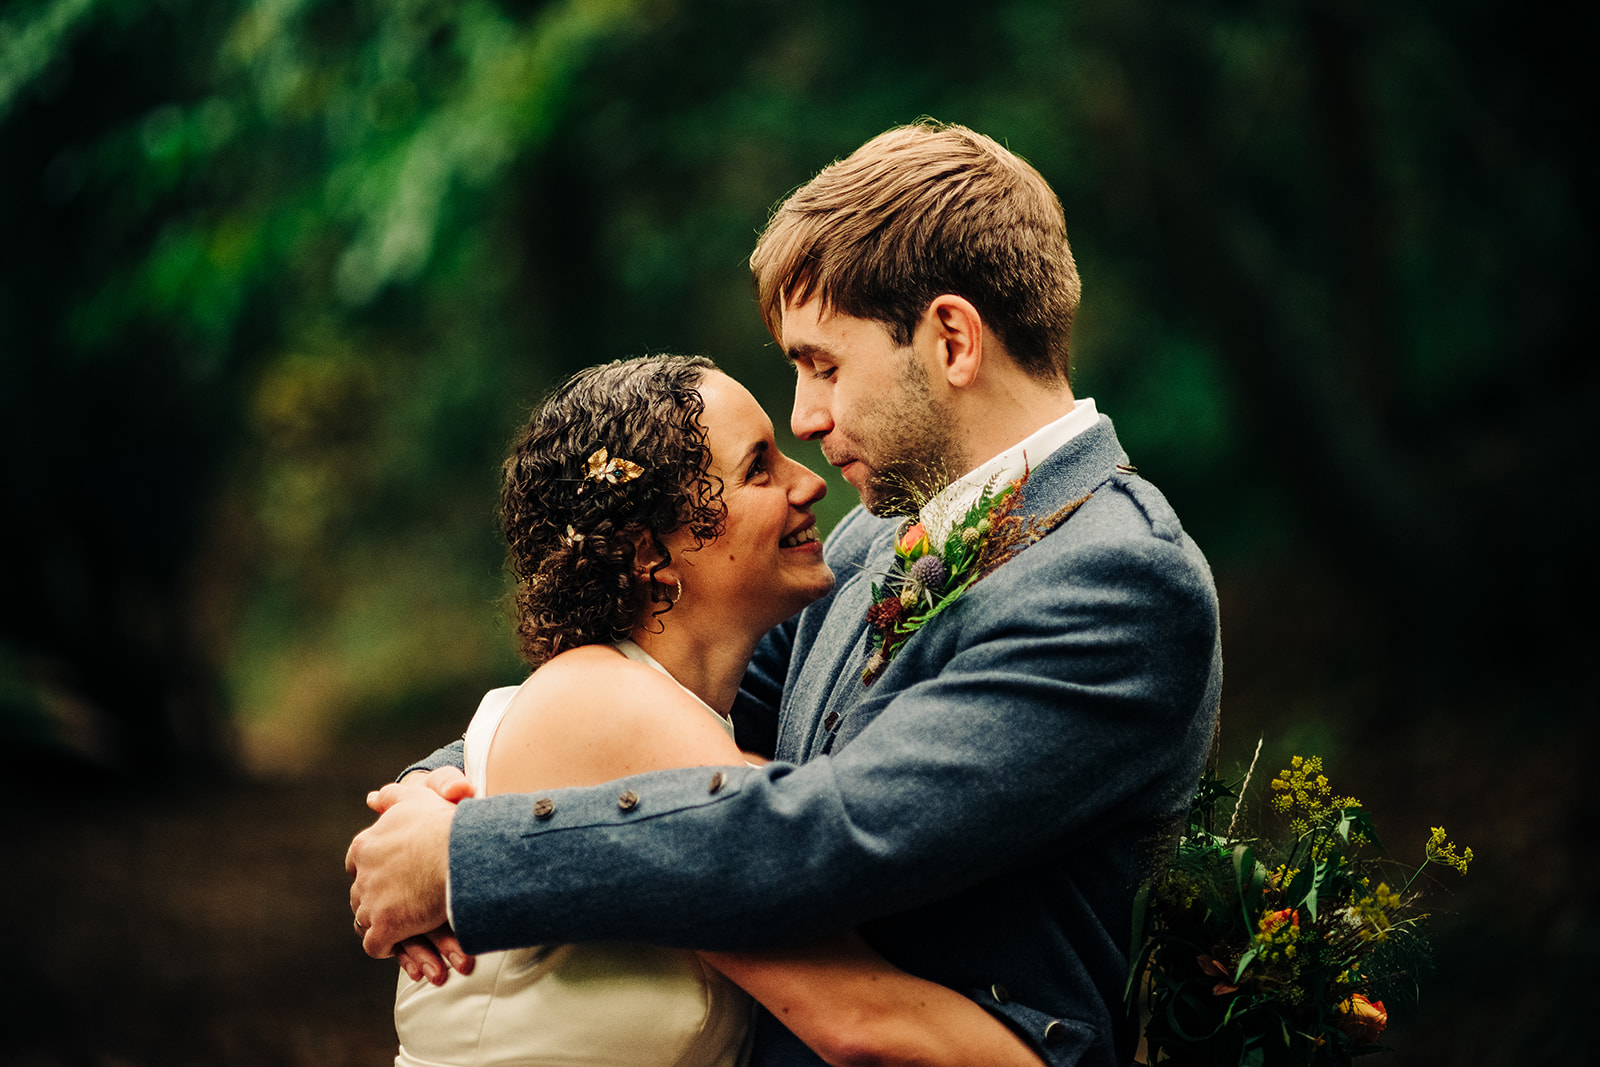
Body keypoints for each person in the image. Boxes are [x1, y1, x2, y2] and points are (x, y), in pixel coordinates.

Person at [347, 120, 1224, 1067]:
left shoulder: (1119, 575)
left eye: (824, 365)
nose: (807, 417)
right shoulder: (876, 533)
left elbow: (831, 834)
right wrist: (453, 780)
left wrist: (473, 857)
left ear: (953, 340)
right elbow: (663, 692)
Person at [391, 353, 1045, 1066]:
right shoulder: (603, 703)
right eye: (759, 468)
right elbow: (862, 1018)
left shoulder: (678, 708)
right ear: (650, 552)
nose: (811, 481)